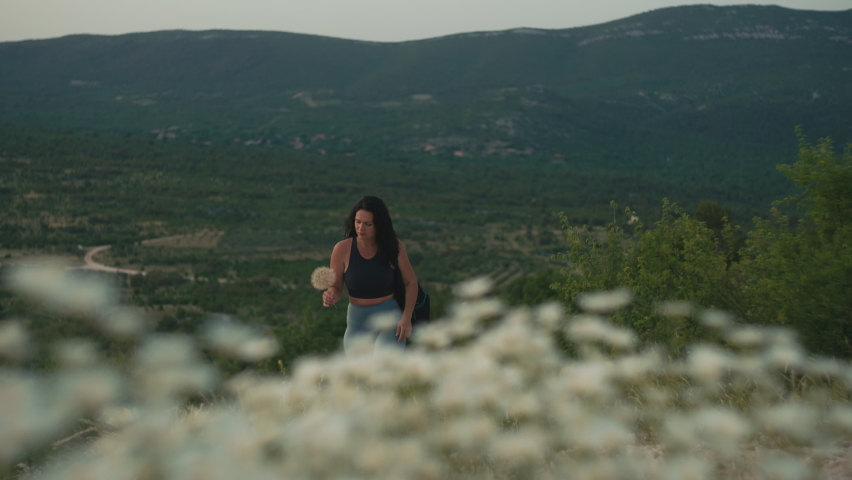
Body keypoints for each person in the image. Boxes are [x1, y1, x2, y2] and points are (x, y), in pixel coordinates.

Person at [322, 196, 419, 356]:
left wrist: (406, 318)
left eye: (368, 224)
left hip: (389, 318)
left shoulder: (393, 246)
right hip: (356, 320)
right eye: (358, 221)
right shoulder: (341, 249)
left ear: (379, 225)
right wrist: (332, 294)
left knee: (384, 373)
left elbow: (411, 282)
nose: (361, 228)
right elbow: (337, 287)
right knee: (360, 379)